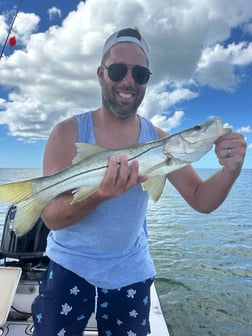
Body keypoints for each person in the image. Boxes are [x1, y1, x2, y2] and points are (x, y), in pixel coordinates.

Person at [32, 28, 247, 336]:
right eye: (118, 70)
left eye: (141, 73)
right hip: (69, 268)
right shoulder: (67, 133)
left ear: (147, 79)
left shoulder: (160, 140)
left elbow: (201, 199)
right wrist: (97, 196)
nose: (128, 81)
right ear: (101, 73)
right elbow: (51, 219)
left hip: (130, 273)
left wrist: (230, 171)